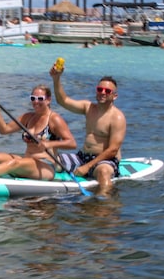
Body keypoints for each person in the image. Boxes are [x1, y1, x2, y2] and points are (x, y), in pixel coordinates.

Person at [49, 66, 127, 196]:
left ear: (114, 96)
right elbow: (63, 101)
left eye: (107, 91)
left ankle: (104, 204)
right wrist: (56, 78)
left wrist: (88, 167)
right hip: (82, 157)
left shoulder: (117, 117)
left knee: (103, 172)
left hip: (105, 161)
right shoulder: (88, 107)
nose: (102, 92)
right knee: (49, 156)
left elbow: (112, 150)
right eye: (99, 89)